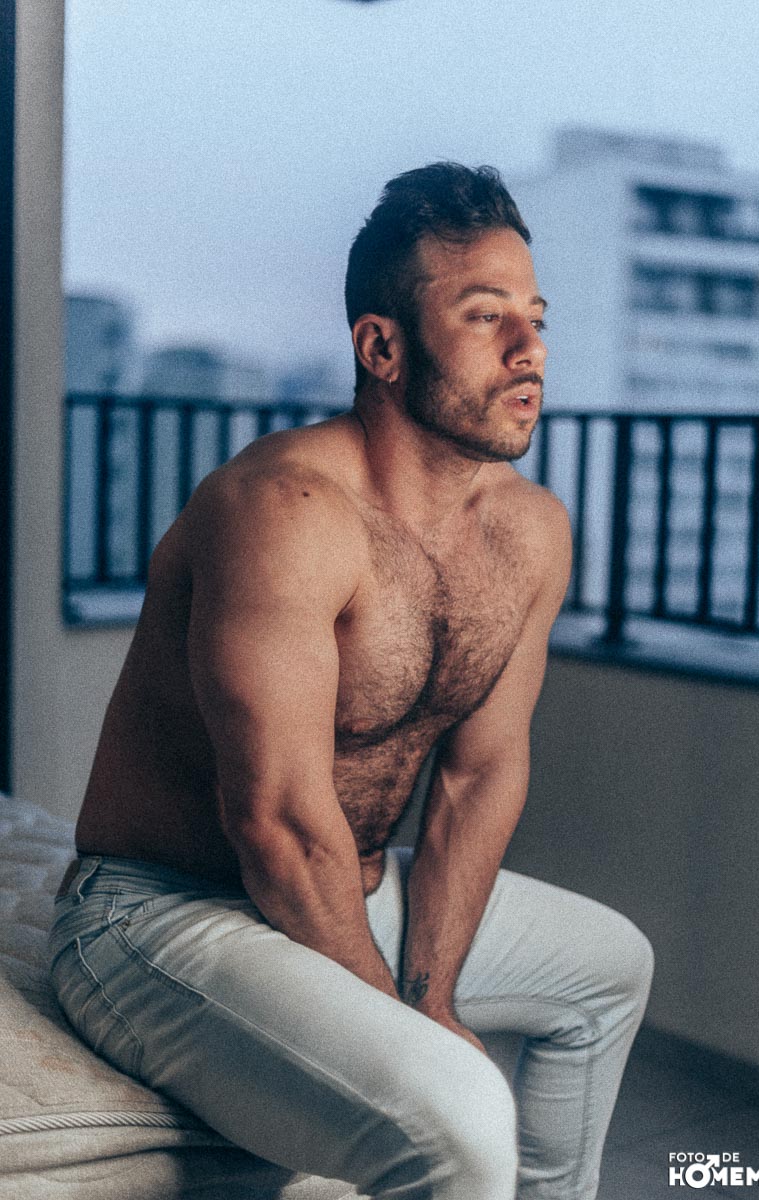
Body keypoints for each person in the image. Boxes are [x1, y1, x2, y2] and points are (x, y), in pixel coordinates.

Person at [49, 162, 653, 1200]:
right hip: (160, 913)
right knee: (458, 1111)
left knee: (610, 968)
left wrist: (433, 993)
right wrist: (407, 1029)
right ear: (382, 347)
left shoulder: (530, 531)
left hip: (358, 886)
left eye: (536, 317)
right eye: (486, 316)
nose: (530, 348)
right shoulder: (281, 511)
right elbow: (279, 824)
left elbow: (478, 775)